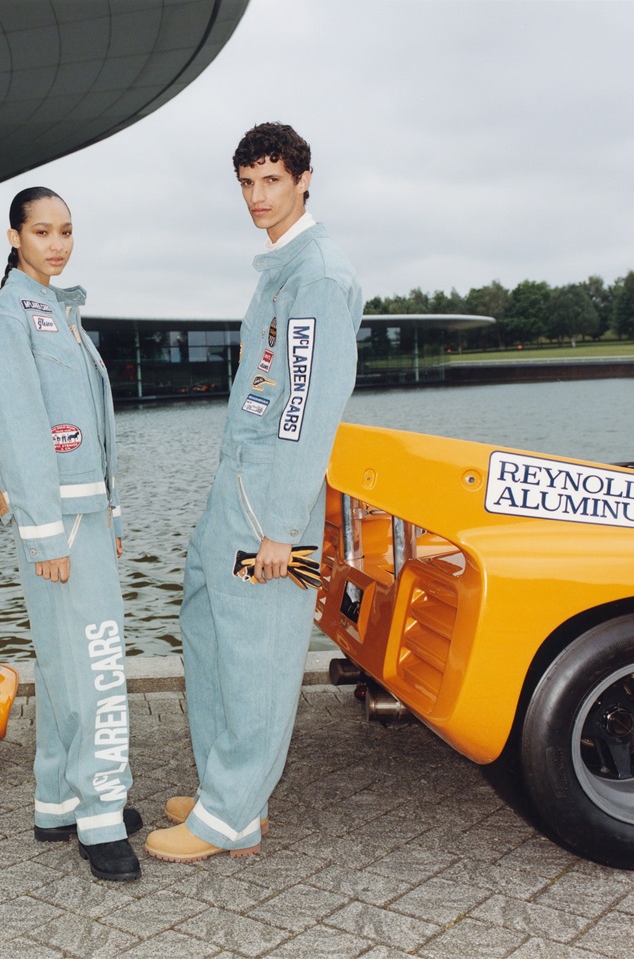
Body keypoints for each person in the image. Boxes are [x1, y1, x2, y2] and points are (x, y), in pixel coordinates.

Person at [145, 123, 363, 863]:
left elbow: (307, 406)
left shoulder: (318, 277)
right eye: (246, 182)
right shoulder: (279, 268)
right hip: (236, 485)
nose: (257, 197)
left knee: (259, 650)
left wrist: (279, 524)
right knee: (209, 627)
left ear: (304, 179)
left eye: (271, 181)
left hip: (273, 500)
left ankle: (234, 815)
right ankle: (227, 788)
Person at [0, 187, 141, 881]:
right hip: (60, 525)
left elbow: (89, 433)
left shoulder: (56, 308)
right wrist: (45, 534)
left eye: (66, 230)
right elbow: (12, 430)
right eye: (42, 231)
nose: (57, 242)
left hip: (82, 518)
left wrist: (113, 519)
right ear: (14, 236)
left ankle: (57, 798)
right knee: (99, 666)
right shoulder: (14, 314)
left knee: (66, 667)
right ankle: (100, 815)